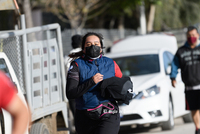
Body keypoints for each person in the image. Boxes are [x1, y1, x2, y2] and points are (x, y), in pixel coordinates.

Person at [66, 32, 123, 134]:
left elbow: (122, 86)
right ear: (83, 48)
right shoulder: (76, 65)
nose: (93, 47)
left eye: (96, 44)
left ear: (101, 48)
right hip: (85, 117)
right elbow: (70, 93)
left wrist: (124, 93)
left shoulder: (111, 64)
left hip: (109, 113)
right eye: (88, 45)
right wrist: (91, 82)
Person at [170, 26, 200, 134]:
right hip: (190, 86)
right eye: (189, 36)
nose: (191, 37)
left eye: (193, 35)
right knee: (194, 108)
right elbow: (174, 65)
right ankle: (198, 128)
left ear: (198, 35)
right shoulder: (181, 51)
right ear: (186, 37)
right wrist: (173, 78)